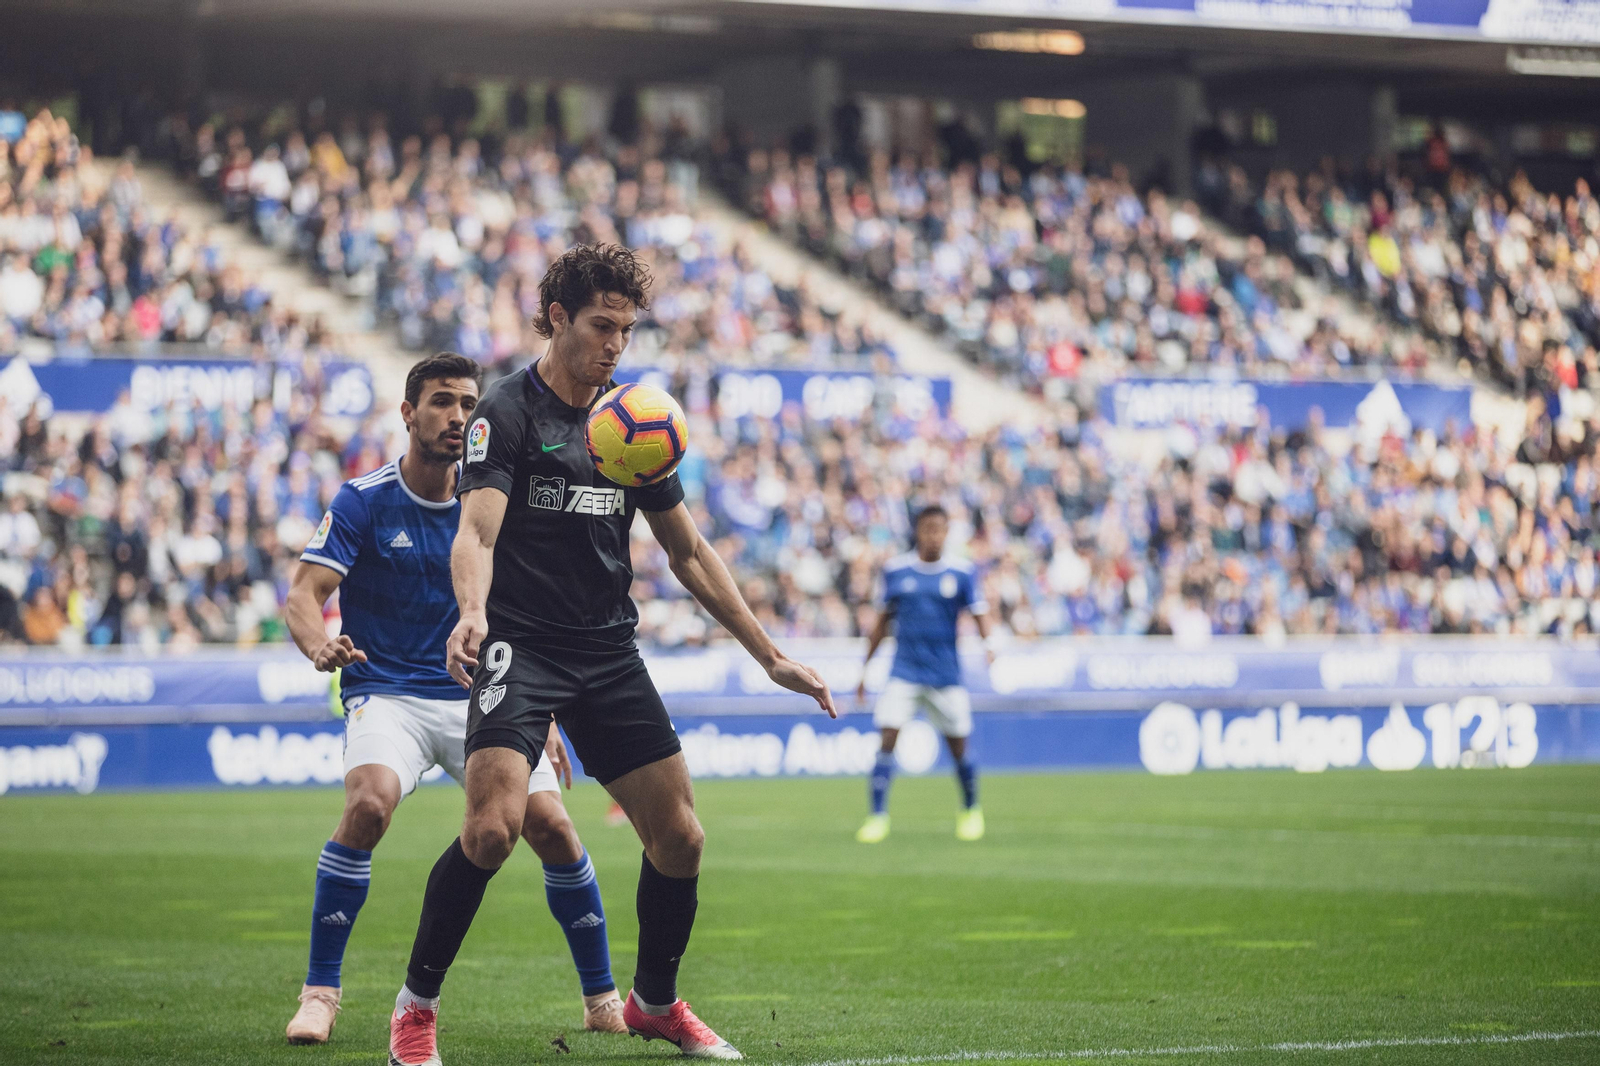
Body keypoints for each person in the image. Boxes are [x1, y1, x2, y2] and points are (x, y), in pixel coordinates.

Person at [387, 245, 835, 1066]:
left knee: (682, 840)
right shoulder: (507, 414)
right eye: (602, 325)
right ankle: (415, 1008)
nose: (616, 344)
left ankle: (655, 1005)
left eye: (627, 329)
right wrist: (474, 615)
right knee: (491, 831)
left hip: (606, 650)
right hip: (520, 645)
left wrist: (770, 656)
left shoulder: (636, 422)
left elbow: (690, 553)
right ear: (557, 318)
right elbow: (476, 531)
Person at [283, 352, 627, 1046]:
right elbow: (303, 595)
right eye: (441, 402)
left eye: (469, 403)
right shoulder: (364, 499)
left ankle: (602, 998)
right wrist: (318, 646)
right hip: (391, 693)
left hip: (488, 696)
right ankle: (320, 993)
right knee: (368, 803)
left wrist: (548, 711)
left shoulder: (502, 501)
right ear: (409, 414)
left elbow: (535, 614)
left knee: (555, 830)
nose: (458, 417)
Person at [854, 504, 995, 844]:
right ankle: (877, 816)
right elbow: (882, 624)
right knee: (886, 739)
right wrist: (865, 668)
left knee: (959, 746)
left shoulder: (961, 573)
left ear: (947, 532)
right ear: (918, 531)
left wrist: (989, 643)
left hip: (946, 674)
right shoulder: (896, 571)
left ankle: (971, 810)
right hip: (904, 671)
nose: (933, 535)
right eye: (927, 528)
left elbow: (979, 613)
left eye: (939, 529)